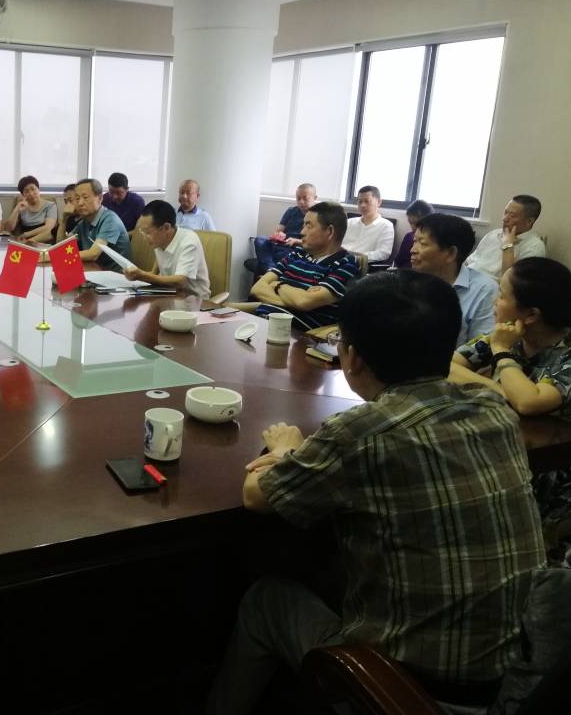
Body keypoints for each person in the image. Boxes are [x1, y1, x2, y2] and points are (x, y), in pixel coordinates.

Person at [209, 270, 546, 715]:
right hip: (519, 678)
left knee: (266, 599)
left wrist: (286, 451)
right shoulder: (494, 410)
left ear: (351, 358)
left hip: (407, 693)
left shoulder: (360, 434)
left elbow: (256, 496)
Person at [451, 257, 571, 566]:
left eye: (501, 295)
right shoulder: (509, 336)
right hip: (505, 454)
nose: (495, 303)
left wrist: (501, 353)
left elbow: (529, 402)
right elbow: (448, 366)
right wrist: (500, 390)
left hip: (557, 475)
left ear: (531, 314)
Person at [242, 201, 359, 330]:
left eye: (309, 226)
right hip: (263, 321)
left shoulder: (346, 264)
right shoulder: (297, 254)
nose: (302, 232)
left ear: (329, 231)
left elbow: (304, 302)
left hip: (295, 335)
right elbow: (257, 288)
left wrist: (277, 285)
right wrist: (296, 299)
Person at [410, 213, 497, 345]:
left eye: (422, 243)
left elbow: (480, 348)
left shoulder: (484, 291)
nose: (412, 250)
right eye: (414, 241)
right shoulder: (408, 282)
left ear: (451, 253)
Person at [124, 199, 211, 299]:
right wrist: (134, 275)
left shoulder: (189, 242)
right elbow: (154, 274)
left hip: (194, 300)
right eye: (142, 231)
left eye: (147, 232)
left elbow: (179, 281)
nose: (144, 237)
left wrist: (141, 275)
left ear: (166, 227)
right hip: (169, 294)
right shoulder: (159, 240)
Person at [464, 194, 545, 281]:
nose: (505, 219)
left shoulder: (534, 247)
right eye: (505, 212)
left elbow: (511, 282)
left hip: (488, 285)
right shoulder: (494, 234)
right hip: (467, 277)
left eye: (512, 216)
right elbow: (469, 261)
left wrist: (508, 245)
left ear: (529, 221)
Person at [55, 178, 131, 270]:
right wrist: (64, 220)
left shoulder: (110, 219)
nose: (80, 203)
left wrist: (55, 255)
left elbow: (93, 254)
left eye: (85, 197)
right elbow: (62, 246)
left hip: (116, 275)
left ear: (100, 198)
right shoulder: (84, 222)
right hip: (95, 271)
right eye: (77, 198)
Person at [249, 183, 316, 275]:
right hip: (282, 244)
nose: (301, 201)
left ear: (314, 198)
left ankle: (270, 269)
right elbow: (278, 231)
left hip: (296, 250)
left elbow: (314, 243)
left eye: (305, 198)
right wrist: (279, 235)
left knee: (278, 256)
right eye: (298, 198)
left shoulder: (317, 217)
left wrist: (296, 241)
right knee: (260, 240)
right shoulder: (291, 211)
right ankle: (270, 268)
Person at [341, 185, 395, 263]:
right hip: (340, 259)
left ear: (379, 202)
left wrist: (357, 257)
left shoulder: (386, 226)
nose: (363, 205)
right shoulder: (349, 222)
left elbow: (383, 253)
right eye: (360, 202)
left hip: (360, 264)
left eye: (367, 201)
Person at [4, 175, 57, 243]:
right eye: (26, 191)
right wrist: (17, 209)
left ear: (38, 189)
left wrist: (26, 234)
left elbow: (49, 227)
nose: (31, 193)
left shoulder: (50, 205)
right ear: (23, 195)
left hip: (43, 240)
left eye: (33, 189)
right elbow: (9, 228)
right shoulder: (22, 206)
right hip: (24, 242)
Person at [392, 199, 434, 269]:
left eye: (417, 223)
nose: (413, 227)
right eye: (411, 223)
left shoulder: (433, 240)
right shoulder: (408, 237)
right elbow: (398, 260)